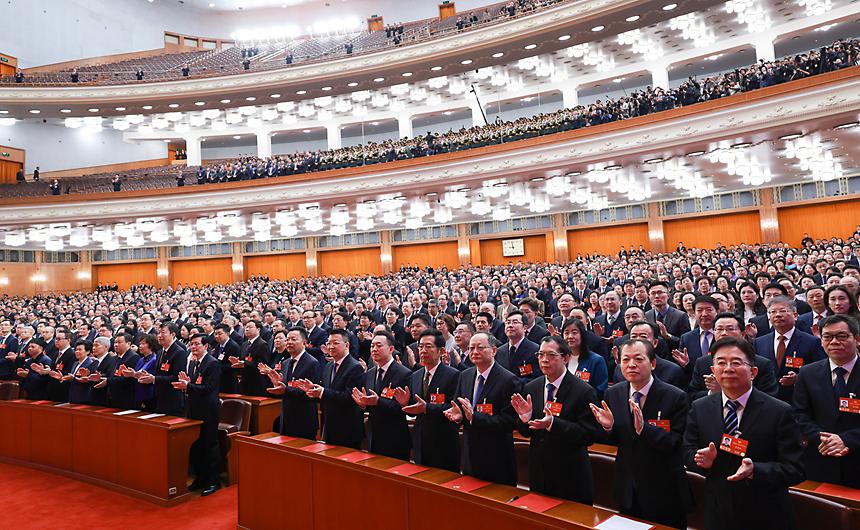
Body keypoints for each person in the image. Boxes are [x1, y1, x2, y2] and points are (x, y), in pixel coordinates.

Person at [683, 337, 804, 530]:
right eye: (721, 363)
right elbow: (687, 450)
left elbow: (796, 469)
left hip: (766, 513)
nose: (728, 368)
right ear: (713, 370)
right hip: (718, 510)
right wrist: (701, 460)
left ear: (753, 372)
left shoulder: (779, 411)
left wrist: (756, 470)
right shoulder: (700, 407)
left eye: (736, 363)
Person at [591, 339, 690, 528]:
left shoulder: (675, 396)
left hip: (665, 489)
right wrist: (608, 428)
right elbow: (614, 439)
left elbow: (677, 442)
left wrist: (645, 429)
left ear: (652, 363)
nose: (631, 364)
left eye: (638, 359)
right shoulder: (614, 394)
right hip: (628, 487)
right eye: (625, 359)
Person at [512, 335, 599, 503]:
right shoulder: (531, 387)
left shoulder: (583, 391)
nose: (544, 360)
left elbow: (588, 435)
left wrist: (553, 424)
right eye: (541, 355)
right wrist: (525, 419)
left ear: (565, 358)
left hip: (570, 474)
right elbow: (526, 432)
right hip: (539, 471)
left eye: (551, 355)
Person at [793, 315, 860, 488]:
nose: (834, 342)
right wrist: (824, 439)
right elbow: (800, 414)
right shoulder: (807, 373)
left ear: (857, 339)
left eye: (842, 336)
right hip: (821, 458)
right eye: (828, 337)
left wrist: (846, 440)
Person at [445, 332, 518, 486]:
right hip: (470, 453)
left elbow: (509, 421)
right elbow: (459, 408)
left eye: (480, 348)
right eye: (471, 348)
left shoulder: (508, 379)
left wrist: (474, 417)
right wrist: (459, 417)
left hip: (496, 456)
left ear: (494, 350)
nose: (475, 352)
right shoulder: (465, 375)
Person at [395, 329, 460, 471]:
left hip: (443, 441)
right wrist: (405, 403)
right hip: (420, 440)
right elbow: (415, 408)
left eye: (428, 346)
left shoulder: (453, 375)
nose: (423, 351)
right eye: (420, 346)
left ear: (441, 351)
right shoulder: (415, 376)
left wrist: (427, 408)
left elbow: (453, 408)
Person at [687, 313, 779, 401]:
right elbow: (692, 395)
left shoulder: (761, 363)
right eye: (719, 329)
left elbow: (770, 397)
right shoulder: (702, 363)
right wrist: (712, 392)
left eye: (730, 329)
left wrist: (725, 391)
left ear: (743, 334)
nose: (724, 333)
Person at [173, 333, 221, 496]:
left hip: (208, 411)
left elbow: (208, 388)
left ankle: (213, 481)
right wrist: (187, 385)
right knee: (197, 445)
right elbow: (195, 387)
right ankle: (201, 478)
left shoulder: (212, 363)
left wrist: (188, 386)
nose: (193, 347)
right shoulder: (194, 363)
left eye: (196, 344)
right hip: (195, 409)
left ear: (205, 346)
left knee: (209, 445)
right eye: (191, 344)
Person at [753, 296, 825, 403]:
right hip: (767, 401)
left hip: (798, 400)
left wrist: (798, 378)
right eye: (773, 312)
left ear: (795, 316)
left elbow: (820, 371)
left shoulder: (811, 342)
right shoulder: (759, 342)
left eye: (783, 311)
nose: (777, 315)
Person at [302, 328, 365, 449]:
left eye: (335, 343)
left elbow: (349, 397)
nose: (331, 346)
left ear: (347, 345)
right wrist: (314, 390)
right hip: (329, 424)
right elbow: (327, 391)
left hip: (347, 426)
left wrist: (322, 392)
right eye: (329, 343)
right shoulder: (329, 366)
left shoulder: (355, 367)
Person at [352, 331, 411, 459]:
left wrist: (378, 401)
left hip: (394, 437)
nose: (374, 349)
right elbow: (370, 403)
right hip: (373, 435)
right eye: (372, 346)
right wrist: (363, 404)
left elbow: (403, 407)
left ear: (391, 349)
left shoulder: (404, 373)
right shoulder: (370, 373)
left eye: (379, 346)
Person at [265, 328, 321, 439]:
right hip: (286, 417)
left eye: (293, 339)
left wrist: (285, 389)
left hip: (303, 419)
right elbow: (284, 387)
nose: (289, 342)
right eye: (287, 339)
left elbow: (310, 393)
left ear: (304, 342)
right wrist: (277, 385)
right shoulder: (286, 363)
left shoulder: (312, 363)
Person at [559, 317, 608, 398]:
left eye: (574, 333)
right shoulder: (559, 359)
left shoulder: (596, 360)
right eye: (566, 333)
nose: (570, 336)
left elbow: (600, 390)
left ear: (582, 335)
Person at [145, 322, 187, 416]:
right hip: (159, 397)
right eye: (159, 332)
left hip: (172, 400)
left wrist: (154, 379)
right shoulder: (160, 352)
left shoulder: (179, 352)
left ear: (173, 334)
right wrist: (147, 376)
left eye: (163, 332)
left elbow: (176, 378)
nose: (159, 336)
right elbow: (158, 373)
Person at [494, 310, 540, 383]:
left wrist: (513, 382)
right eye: (508, 322)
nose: (510, 325)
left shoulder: (535, 349)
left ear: (525, 328)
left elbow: (537, 378)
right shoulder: (499, 351)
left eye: (515, 322)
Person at [646, 280, 691, 350]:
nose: (656, 296)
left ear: (668, 295)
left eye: (660, 292)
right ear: (649, 296)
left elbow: (687, 342)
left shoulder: (681, 316)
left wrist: (668, 336)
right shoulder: (647, 315)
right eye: (653, 293)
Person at [230, 319, 269, 396]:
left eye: (250, 327)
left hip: (256, 383)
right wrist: (237, 363)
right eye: (246, 327)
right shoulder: (244, 344)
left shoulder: (262, 344)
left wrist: (244, 363)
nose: (247, 329)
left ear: (258, 329)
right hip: (244, 381)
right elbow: (242, 359)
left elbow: (262, 364)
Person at [106, 333, 140, 409]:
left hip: (126, 398)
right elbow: (110, 374)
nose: (116, 345)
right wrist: (101, 377)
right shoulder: (115, 358)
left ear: (128, 344)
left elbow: (129, 379)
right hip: (113, 396)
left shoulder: (133, 357)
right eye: (115, 342)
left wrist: (107, 381)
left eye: (119, 342)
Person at [87, 336, 118, 406]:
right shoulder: (94, 362)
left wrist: (100, 377)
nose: (93, 348)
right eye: (93, 346)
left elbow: (110, 375)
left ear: (106, 347)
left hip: (105, 398)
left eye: (96, 345)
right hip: (92, 397)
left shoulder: (112, 360)